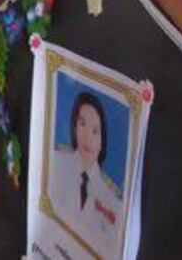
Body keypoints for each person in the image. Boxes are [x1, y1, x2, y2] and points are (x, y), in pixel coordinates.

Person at [50, 92, 122, 258]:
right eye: (82, 124)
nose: (87, 136)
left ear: (103, 141)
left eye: (95, 131)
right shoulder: (55, 162)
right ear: (74, 126)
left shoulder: (111, 198)